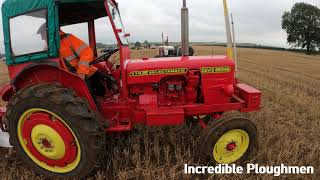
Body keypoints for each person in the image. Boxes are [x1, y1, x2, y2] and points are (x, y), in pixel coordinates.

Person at [37, 24, 117, 96]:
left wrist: (81, 72)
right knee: (89, 100)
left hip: (85, 74)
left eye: (44, 36)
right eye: (43, 38)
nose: (44, 39)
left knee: (108, 83)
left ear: (50, 32)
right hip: (70, 78)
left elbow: (86, 53)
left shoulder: (69, 39)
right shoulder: (49, 48)